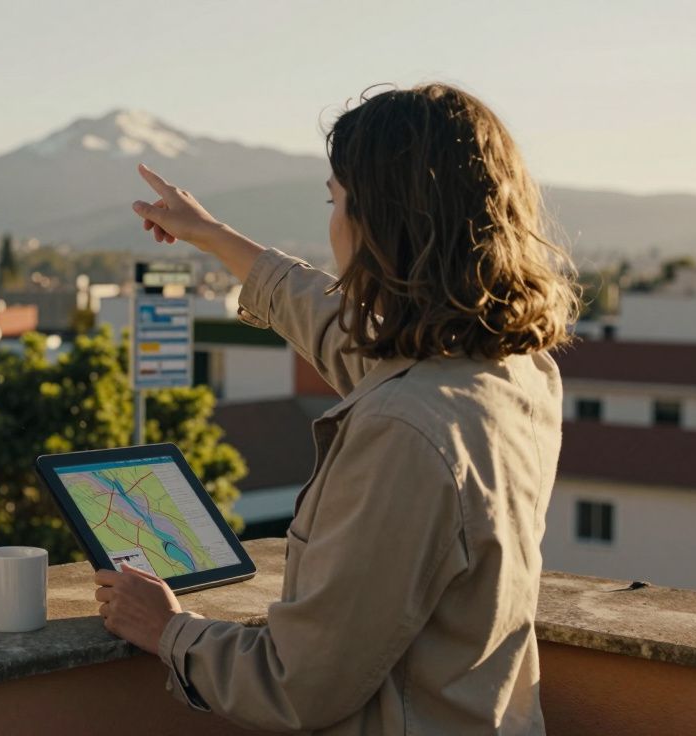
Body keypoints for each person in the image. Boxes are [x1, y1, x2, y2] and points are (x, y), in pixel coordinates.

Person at [93, 83, 579, 735]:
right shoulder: (513, 373)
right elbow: (343, 333)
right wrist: (214, 237)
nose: (331, 222)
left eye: (336, 200)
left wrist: (169, 630)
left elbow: (302, 684)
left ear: (380, 221)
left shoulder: (405, 429)